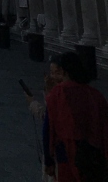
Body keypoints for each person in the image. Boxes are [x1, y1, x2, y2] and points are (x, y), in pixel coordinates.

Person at [43, 50, 108, 180]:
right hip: (94, 153)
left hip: (65, 152)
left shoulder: (58, 93)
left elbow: (48, 128)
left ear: (64, 71)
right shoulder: (95, 95)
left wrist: (48, 160)